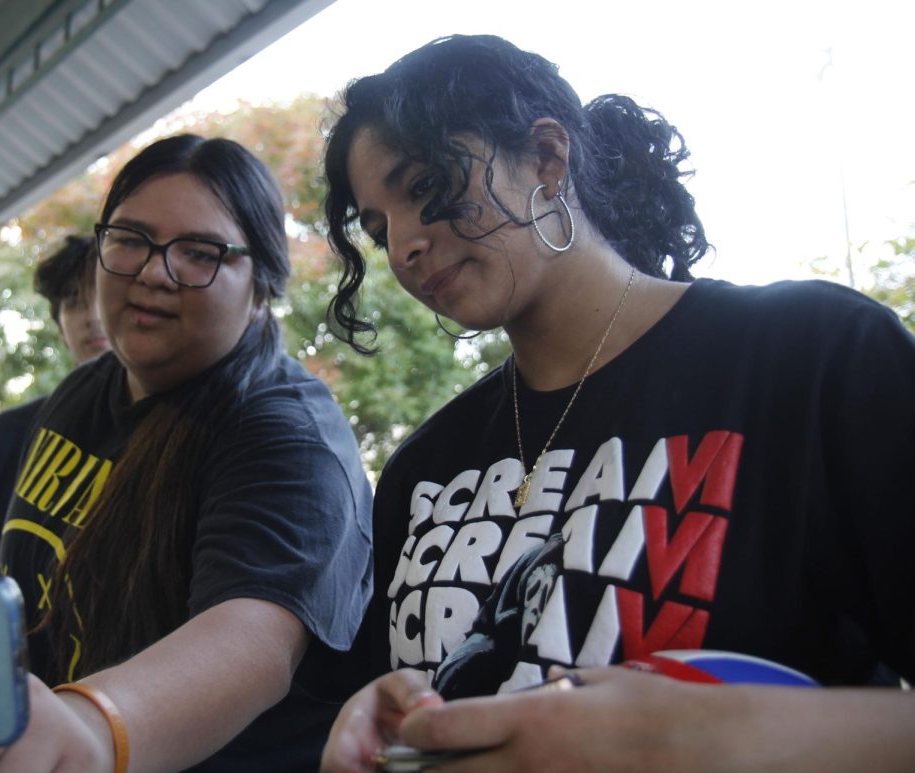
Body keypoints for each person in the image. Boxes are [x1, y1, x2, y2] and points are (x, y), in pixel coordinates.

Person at [318, 34, 915, 772]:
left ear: (546, 157)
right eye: (377, 231)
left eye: (422, 186)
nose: (404, 244)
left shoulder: (813, 357)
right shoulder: (422, 467)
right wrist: (374, 721)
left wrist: (716, 737)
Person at [0, 134, 373, 772]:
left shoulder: (286, 436)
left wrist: (93, 729)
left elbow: (253, 639)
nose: (155, 271)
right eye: (130, 240)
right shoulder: (84, 390)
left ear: (260, 287)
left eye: (199, 253)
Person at [0, 235, 110, 570]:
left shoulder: (174, 436)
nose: (93, 316)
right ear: (59, 327)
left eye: (103, 293)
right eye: (74, 300)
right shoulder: (0, 439)